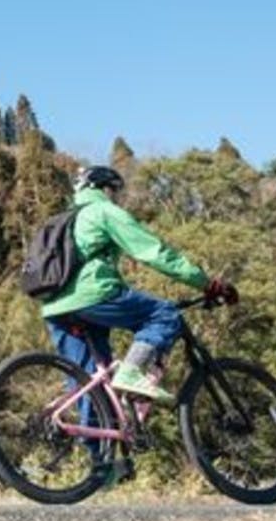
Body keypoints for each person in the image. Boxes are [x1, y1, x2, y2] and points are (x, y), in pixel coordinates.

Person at [41, 165, 237, 405]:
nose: (118, 196)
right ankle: (131, 372)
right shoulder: (103, 211)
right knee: (164, 314)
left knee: (94, 390)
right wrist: (206, 283)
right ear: (103, 188)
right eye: (116, 190)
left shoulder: (64, 220)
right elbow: (154, 252)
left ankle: (96, 441)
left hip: (54, 307)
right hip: (92, 295)